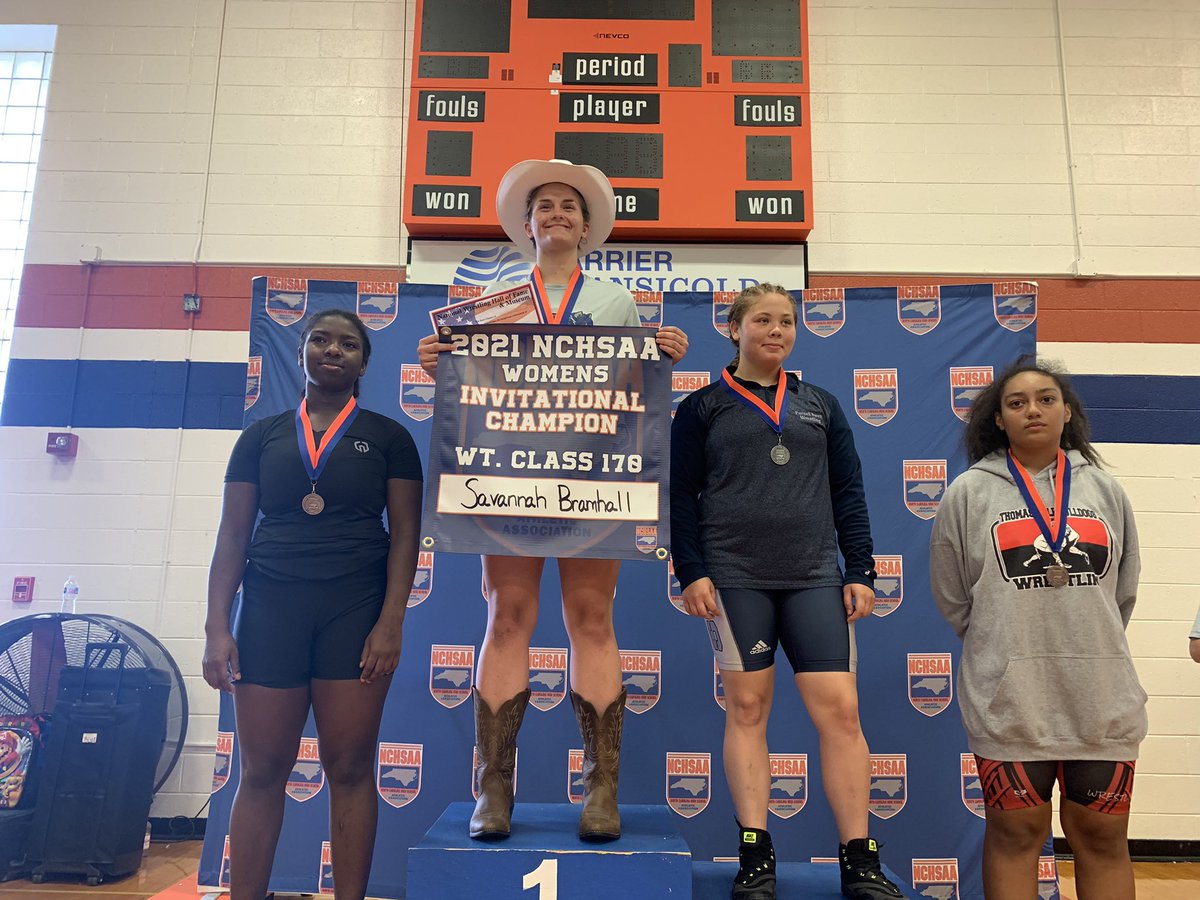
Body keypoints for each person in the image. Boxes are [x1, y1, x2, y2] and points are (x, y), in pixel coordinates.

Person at [418, 158, 688, 842]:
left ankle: (602, 791)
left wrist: (659, 357)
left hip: (592, 476)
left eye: (570, 205)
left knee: (591, 616)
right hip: (510, 476)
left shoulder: (616, 303)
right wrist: (443, 365)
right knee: (507, 613)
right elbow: (475, 388)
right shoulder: (493, 304)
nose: (558, 214)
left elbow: (630, 388)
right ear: (528, 225)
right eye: (546, 206)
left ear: (587, 226)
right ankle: (494, 791)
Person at [670, 283, 901, 900]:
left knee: (842, 713)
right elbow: (681, 497)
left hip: (814, 577)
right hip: (734, 576)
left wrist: (861, 571)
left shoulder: (820, 405)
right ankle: (754, 853)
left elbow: (848, 493)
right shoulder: (701, 408)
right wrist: (690, 570)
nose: (777, 330)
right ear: (734, 328)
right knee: (748, 710)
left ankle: (859, 857)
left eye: (787, 321)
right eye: (763, 320)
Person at [203, 309, 423, 900]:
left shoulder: (390, 438)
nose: (334, 350)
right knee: (262, 772)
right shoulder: (261, 437)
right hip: (270, 611)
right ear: (301, 352)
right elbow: (231, 535)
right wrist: (216, 627)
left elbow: (405, 537)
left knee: (350, 770)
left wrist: (391, 622)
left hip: (355, 613)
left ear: (364, 363)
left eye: (349, 344)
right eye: (321, 340)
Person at [930, 359, 1146, 900]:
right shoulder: (969, 492)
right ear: (998, 419)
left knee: (1101, 835)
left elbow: (1122, 592)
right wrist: (1006, 650)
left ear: (1067, 412)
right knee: (1015, 832)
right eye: (1017, 402)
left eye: (1046, 399)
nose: (1033, 410)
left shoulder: (1105, 490)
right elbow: (954, 596)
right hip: (1011, 698)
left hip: (1100, 696)